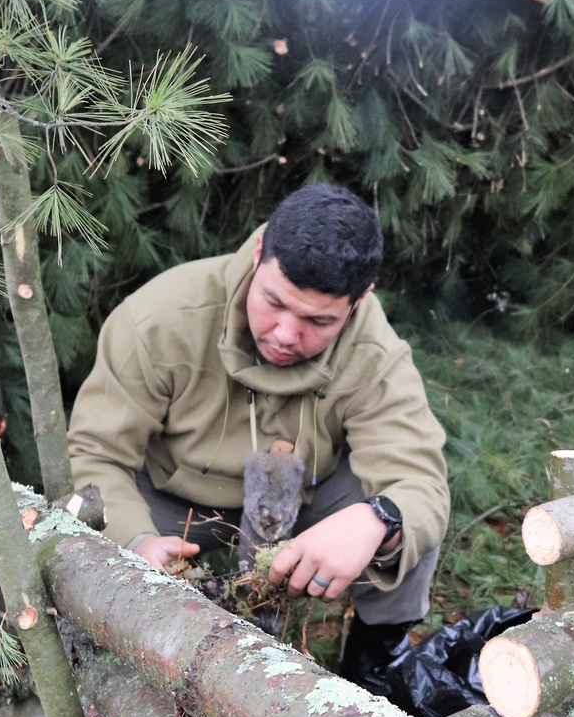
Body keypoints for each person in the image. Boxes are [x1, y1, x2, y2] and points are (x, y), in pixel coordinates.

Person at [67, 184, 450, 690]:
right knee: (95, 530)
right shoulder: (159, 320)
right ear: (256, 255)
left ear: (359, 301)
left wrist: (378, 520)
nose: (287, 335)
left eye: (318, 321)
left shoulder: (373, 349)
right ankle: (114, 675)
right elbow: (98, 454)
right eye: (273, 302)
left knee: (403, 524)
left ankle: (376, 664)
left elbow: (420, 480)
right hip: (177, 500)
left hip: (310, 500)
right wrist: (135, 540)